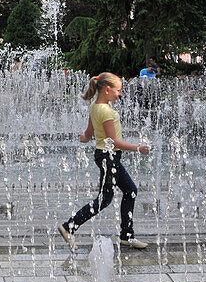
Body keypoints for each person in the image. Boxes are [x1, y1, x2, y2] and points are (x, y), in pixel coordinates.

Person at [58, 72, 151, 251]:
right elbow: (114, 141)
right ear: (107, 90)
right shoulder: (106, 111)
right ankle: (70, 227)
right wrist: (138, 148)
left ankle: (126, 235)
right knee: (109, 198)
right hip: (109, 156)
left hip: (104, 156)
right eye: (118, 90)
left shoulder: (95, 106)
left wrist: (84, 138)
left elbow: (89, 133)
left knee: (126, 192)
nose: (119, 94)